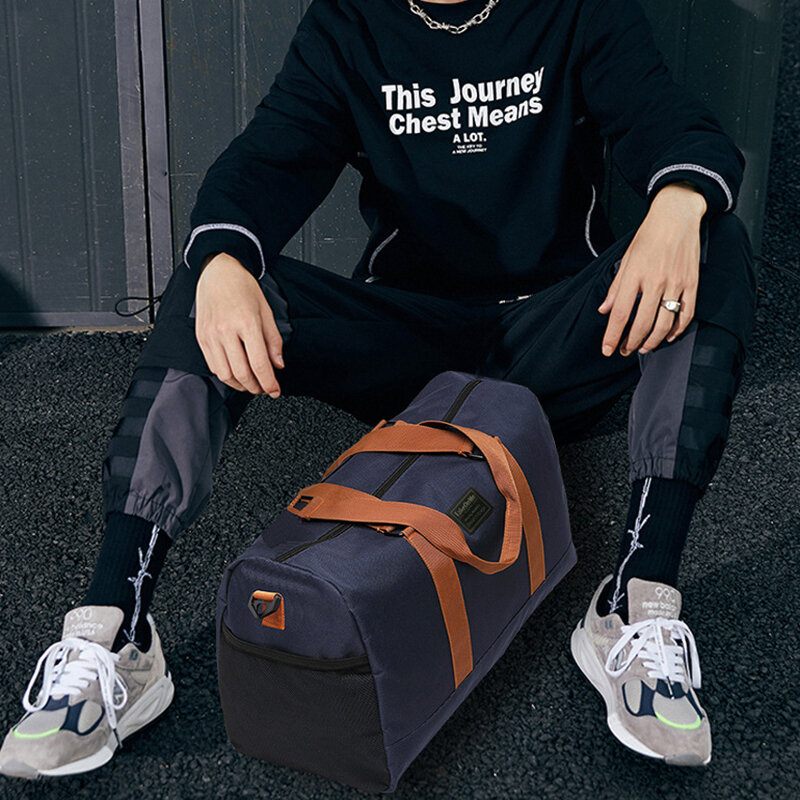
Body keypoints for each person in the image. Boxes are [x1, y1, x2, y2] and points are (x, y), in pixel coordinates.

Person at [0, 0, 756, 779]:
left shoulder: (574, 8)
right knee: (210, 281)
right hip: (408, 346)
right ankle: (117, 627)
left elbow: (660, 112)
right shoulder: (350, 23)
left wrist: (679, 201)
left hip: (554, 332)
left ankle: (635, 599)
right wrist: (223, 259)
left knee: (713, 240)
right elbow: (272, 155)